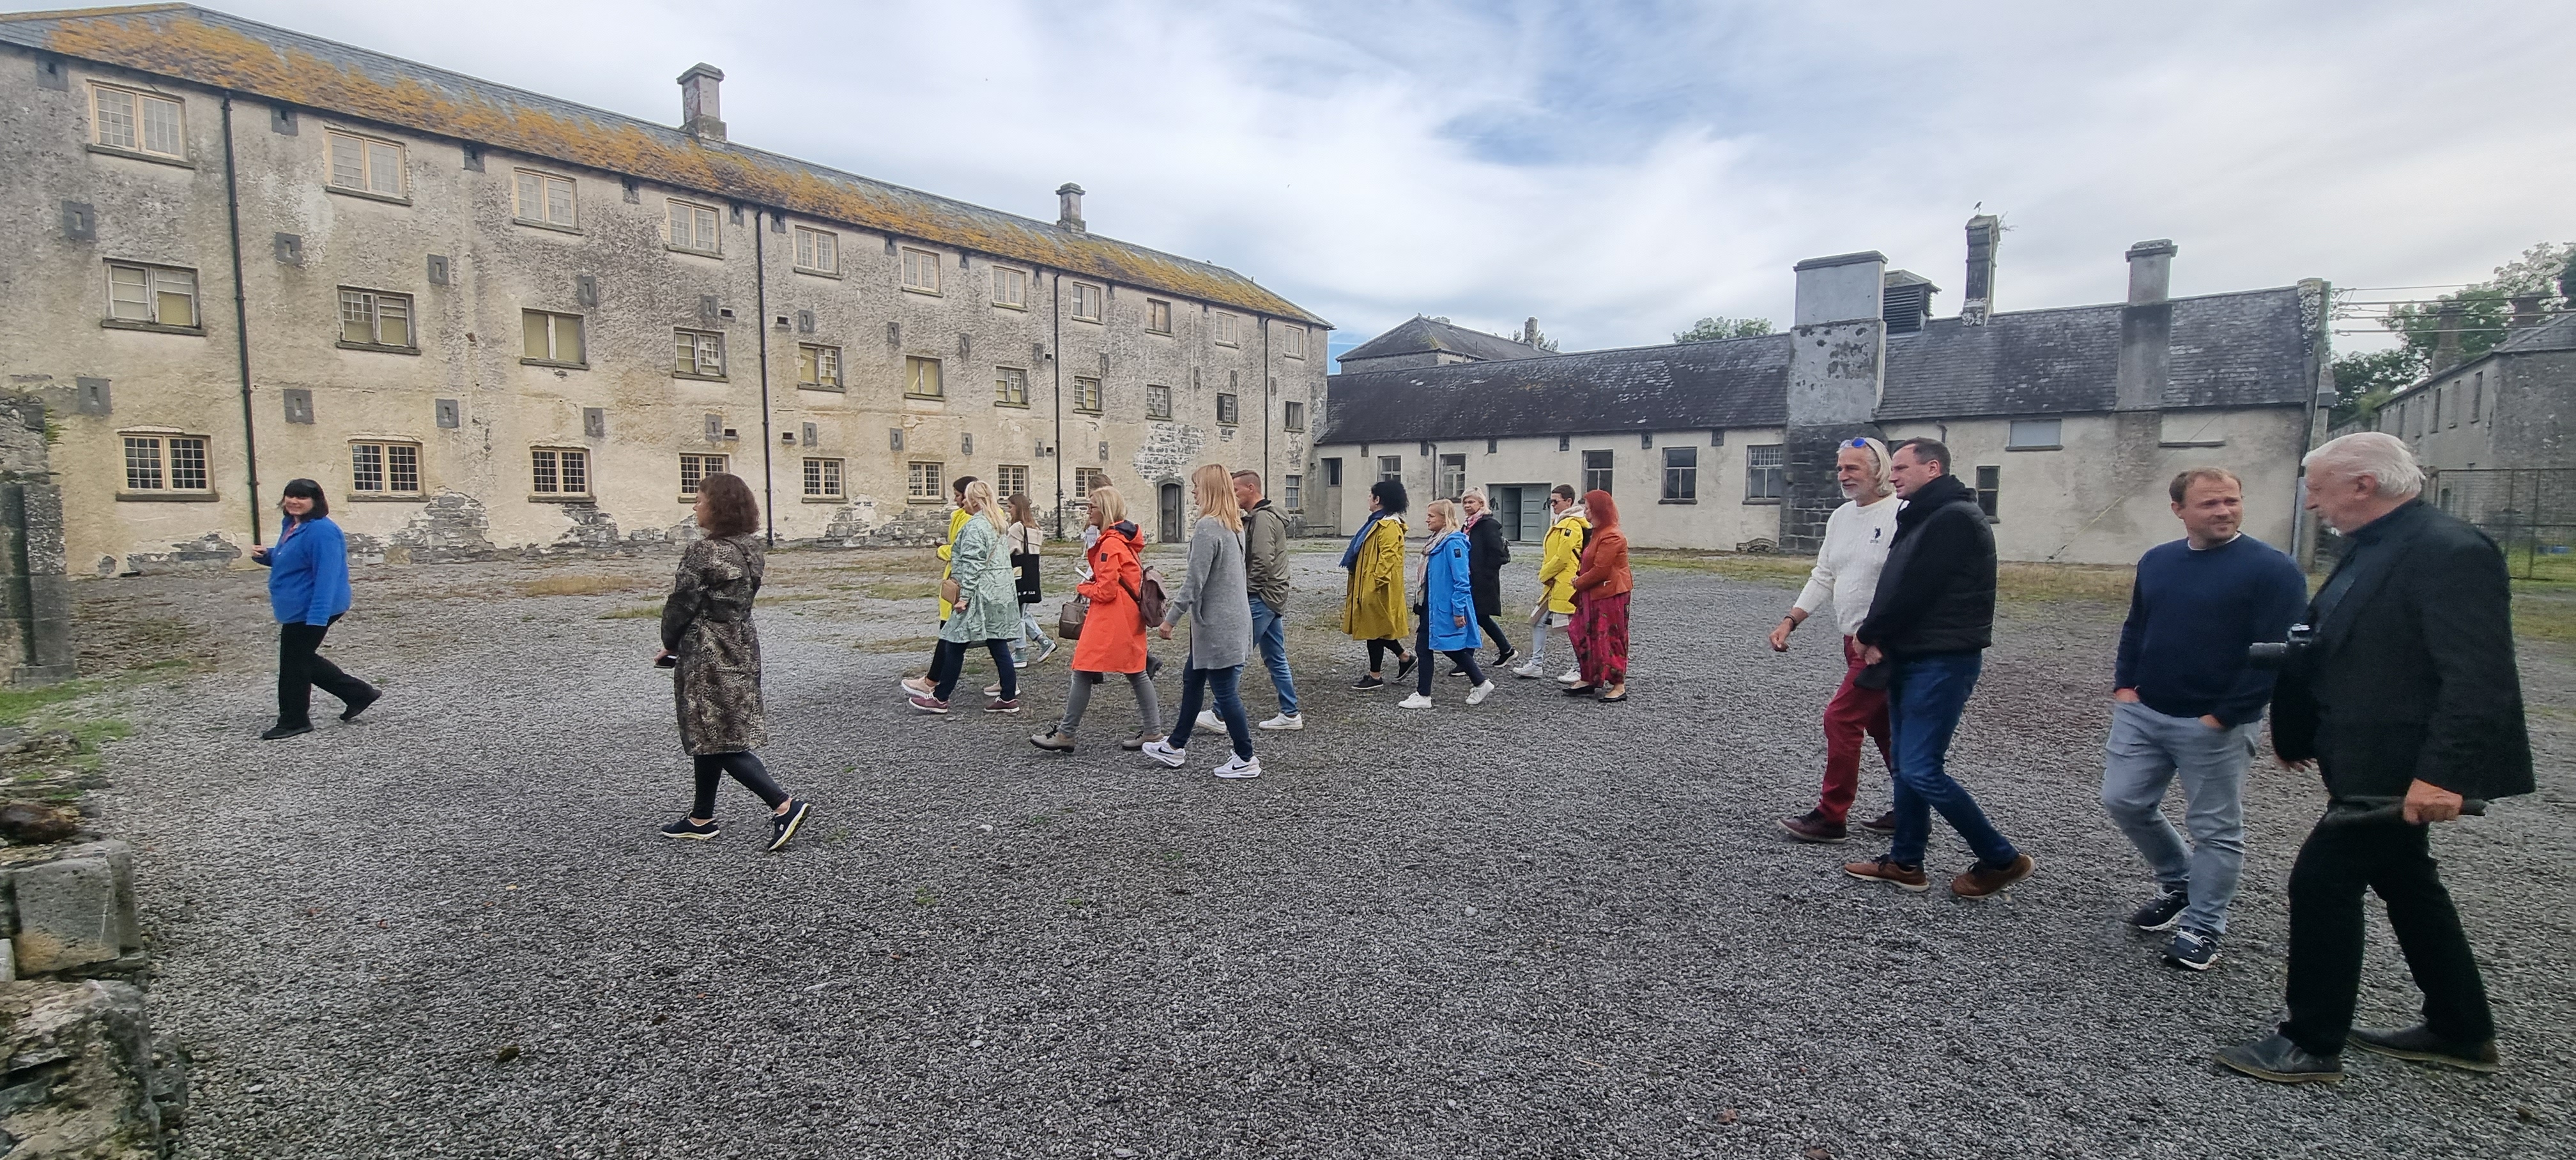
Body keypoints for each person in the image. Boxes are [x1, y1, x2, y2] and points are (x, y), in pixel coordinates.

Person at [2216, 433, 2533, 1085]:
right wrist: (2300, 729)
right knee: (2409, 883)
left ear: (2363, 484)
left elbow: (2480, 678)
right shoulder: (2375, 545)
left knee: (2321, 883)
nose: (2312, 504)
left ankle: (2310, 1042)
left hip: (2400, 766)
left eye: (2319, 489)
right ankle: (2461, 1027)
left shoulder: (2449, 551)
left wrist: (2444, 774)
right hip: (2362, 755)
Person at [2102, 468, 2307, 970]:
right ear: (2179, 510)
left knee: (2215, 829)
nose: (2224, 511)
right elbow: (2138, 625)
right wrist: (2126, 685)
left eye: (2231, 501)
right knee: (2124, 800)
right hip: (2145, 711)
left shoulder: (2273, 569)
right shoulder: (2158, 561)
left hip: (2215, 724)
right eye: (2210, 503)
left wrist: (2226, 715)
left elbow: (2278, 653)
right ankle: (2179, 882)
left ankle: (2204, 925)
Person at [1841, 438, 2032, 897]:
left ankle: (2000, 858)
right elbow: (1898, 585)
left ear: (1933, 468)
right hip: (1914, 656)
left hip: (1942, 660)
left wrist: (1871, 633)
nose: (1894, 475)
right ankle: (1906, 862)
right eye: (1893, 468)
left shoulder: (1953, 519)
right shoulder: (1924, 514)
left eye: (1902, 468)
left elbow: (1916, 591)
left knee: (1921, 768)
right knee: (1908, 766)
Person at [652, 473, 811, 852]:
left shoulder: (703, 552)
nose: (694, 506)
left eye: (699, 499)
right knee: (713, 729)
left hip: (707, 650)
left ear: (718, 506)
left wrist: (669, 643)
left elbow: (681, 604)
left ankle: (783, 805)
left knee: (717, 735)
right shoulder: (750, 547)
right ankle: (701, 818)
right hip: (741, 643)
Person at [1774, 438, 1903, 843]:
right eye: (1840, 468)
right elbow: (1824, 574)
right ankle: (1911, 808)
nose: (1843, 476)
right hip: (1854, 642)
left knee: (1841, 718)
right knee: (1884, 726)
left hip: (1882, 646)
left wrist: (1881, 635)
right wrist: (1792, 620)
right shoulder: (1842, 517)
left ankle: (1832, 816)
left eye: (1853, 468)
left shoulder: (1901, 514)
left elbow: (1908, 584)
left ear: (1879, 471)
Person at [1146, 464, 1262, 777]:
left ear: (1209, 489)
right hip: (1230, 620)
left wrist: (1170, 620)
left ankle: (1246, 758)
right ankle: (1175, 746)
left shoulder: (1209, 527)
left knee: (1225, 692)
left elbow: (1194, 582)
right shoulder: (1233, 526)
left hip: (1217, 625)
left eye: (1197, 486)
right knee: (1193, 679)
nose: (1194, 492)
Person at [1029, 487, 1164, 752]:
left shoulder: (1111, 543)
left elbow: (1106, 591)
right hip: (1125, 615)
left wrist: (1083, 588)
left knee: (1084, 670)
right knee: (1135, 671)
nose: (1088, 511)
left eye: (1092, 506)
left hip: (1111, 618)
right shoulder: (1123, 540)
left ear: (1105, 509)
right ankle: (1153, 731)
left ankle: (1066, 734)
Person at [250, 478, 378, 739]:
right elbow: (295, 559)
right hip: (297, 607)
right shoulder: (293, 524)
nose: (294, 502)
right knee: (301, 658)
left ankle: (294, 720)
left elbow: (327, 576)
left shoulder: (322, 531)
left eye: (302, 497)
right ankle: (359, 694)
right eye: (290, 496)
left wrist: (317, 616)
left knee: (293, 665)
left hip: (314, 608)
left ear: (316, 501)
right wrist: (269, 556)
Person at [1197, 470, 1300, 731]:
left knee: (1238, 653)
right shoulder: (1261, 516)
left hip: (1263, 596)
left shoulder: (1263, 518)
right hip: (1272, 595)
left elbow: (1263, 560)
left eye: (1236, 490)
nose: (1232, 495)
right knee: (1275, 656)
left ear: (1251, 488)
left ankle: (1219, 714)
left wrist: (1247, 592)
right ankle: (1290, 713)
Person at [908, 480, 1022, 714]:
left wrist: (964, 597)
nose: (962, 503)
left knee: (955, 643)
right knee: (997, 642)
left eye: (966, 499)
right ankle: (1008, 696)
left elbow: (972, 565)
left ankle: (940, 698)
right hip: (999, 592)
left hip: (979, 594)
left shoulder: (975, 526)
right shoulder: (998, 523)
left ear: (975, 501)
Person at [1399, 499, 1496, 709]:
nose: (1427, 520)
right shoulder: (1437, 541)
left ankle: (1427, 694)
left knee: (1445, 647)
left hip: (1445, 607)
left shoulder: (1453, 543)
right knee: (1431, 646)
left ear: (1444, 518)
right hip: (1433, 606)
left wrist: (1458, 610)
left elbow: (1462, 580)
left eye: (1431, 516)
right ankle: (1476, 684)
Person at [901, 475, 979, 698]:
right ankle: (1007, 686)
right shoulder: (961, 516)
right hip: (958, 581)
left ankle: (934, 684)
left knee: (951, 637)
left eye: (958, 495)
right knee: (990, 641)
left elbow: (961, 551)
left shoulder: (972, 520)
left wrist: (942, 551)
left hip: (962, 584)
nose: (955, 500)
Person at [1340, 479, 1413, 690]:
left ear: (1378, 499)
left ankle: (1376, 676)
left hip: (1378, 588)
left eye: (1371, 496)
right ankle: (1405, 658)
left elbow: (1388, 559)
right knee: (1377, 629)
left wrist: (1373, 585)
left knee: (1374, 630)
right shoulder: (1377, 523)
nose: (1368, 500)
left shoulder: (1388, 526)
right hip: (1371, 585)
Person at [1565, 489, 1630, 701]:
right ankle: (1590, 677)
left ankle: (1618, 684)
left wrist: (1578, 582)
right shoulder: (1599, 533)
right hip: (1592, 593)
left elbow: (1601, 570)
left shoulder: (1612, 535)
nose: (1585, 512)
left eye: (1588, 508)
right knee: (1582, 633)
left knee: (1609, 637)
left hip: (1609, 594)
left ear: (1599, 510)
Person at [1516, 485, 1585, 682]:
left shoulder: (1572, 525)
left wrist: (1544, 573)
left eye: (1556, 501)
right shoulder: (1561, 522)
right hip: (1555, 583)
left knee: (1573, 627)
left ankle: (1580, 668)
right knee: (1538, 620)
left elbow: (1563, 557)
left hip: (1566, 583)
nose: (1552, 505)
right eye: (1550, 501)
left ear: (1569, 502)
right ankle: (1536, 664)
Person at [1460, 489, 1516, 671]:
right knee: (1478, 616)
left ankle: (1467, 661)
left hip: (1482, 578)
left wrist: (1485, 572)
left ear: (1481, 504)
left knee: (1475, 615)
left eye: (1471, 502)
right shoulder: (1468, 525)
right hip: (1469, 577)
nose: (1467, 506)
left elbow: (1497, 553)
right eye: (1465, 502)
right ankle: (1506, 649)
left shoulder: (1487, 524)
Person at [1005, 492, 1057, 669]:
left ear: (1017, 508)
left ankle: (1021, 652)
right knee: (1023, 612)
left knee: (1016, 615)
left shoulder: (1016, 529)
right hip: (1031, 575)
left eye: (1010, 507)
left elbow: (1007, 552)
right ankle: (1044, 641)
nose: (1008, 511)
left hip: (1017, 575)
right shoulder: (1035, 530)